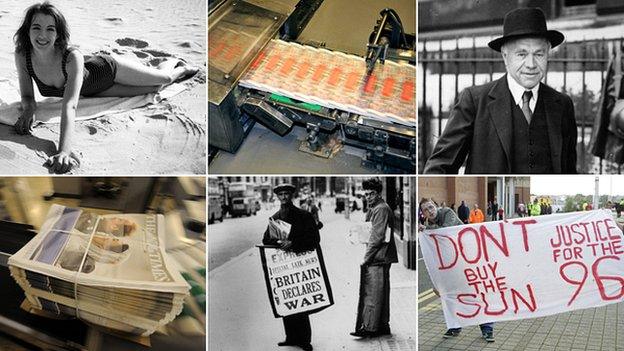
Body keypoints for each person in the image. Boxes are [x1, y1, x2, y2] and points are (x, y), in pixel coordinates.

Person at [13, 2, 199, 173]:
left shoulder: (71, 57)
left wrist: (64, 151)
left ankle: (177, 66)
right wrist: (29, 110)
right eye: (36, 27)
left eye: (50, 29)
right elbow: (28, 96)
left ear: (58, 34)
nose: (42, 35)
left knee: (163, 81)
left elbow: (70, 106)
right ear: (27, 31)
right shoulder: (23, 55)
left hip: (107, 71)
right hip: (93, 92)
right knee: (153, 91)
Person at [423, 7, 576, 174]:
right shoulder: (474, 101)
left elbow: (569, 170)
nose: (531, 64)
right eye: (521, 54)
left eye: (539, 54)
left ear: (548, 55)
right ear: (505, 56)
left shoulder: (562, 104)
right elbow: (439, 167)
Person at [418, 199, 495, 342]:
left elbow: (446, 230)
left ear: (436, 206)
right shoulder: (429, 226)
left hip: (467, 259)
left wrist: (426, 230)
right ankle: (455, 326)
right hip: (451, 264)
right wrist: (436, 281)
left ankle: (487, 328)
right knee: (450, 295)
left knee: (476, 293)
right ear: (423, 214)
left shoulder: (447, 212)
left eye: (431, 207)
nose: (430, 210)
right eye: (426, 210)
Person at [262, 183, 320, 351]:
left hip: (300, 264)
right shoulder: (275, 218)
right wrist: (279, 242)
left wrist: (293, 243)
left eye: (287, 194)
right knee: (287, 299)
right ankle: (291, 337)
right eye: (281, 195)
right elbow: (266, 239)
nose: (284, 197)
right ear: (277, 197)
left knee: (300, 302)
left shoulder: (304, 216)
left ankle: (305, 340)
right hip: (283, 266)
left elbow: (314, 238)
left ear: (292, 195)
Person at [350, 179, 398, 338]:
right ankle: (383, 326)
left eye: (371, 193)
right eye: (366, 194)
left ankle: (370, 328)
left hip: (377, 258)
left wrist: (366, 258)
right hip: (382, 257)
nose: (368, 197)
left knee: (372, 293)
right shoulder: (378, 207)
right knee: (381, 292)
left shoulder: (380, 209)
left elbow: (376, 237)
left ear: (378, 193)